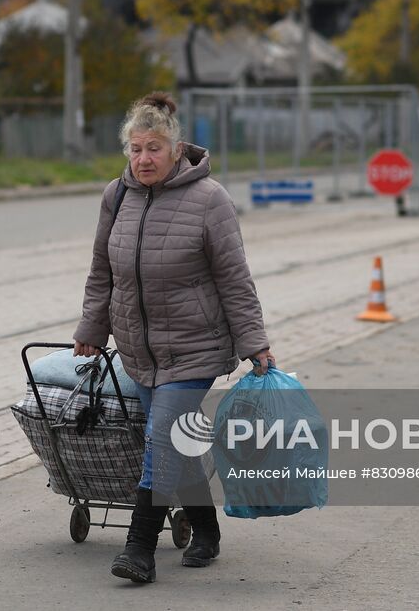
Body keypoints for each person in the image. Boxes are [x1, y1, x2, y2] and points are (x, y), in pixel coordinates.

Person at [74, 91, 275, 584]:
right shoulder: (115, 196)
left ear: (175, 147)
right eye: (135, 149)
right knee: (175, 439)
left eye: (154, 149)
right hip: (139, 349)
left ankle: (139, 548)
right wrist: (92, 329)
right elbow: (103, 270)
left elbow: (234, 278)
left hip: (195, 347)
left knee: (161, 438)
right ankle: (206, 530)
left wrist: (255, 341)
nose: (144, 159)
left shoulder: (210, 200)